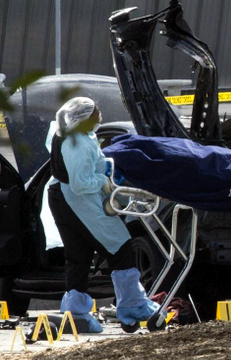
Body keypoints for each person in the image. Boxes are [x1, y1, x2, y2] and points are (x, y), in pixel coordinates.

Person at [47, 97, 159, 333]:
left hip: (63, 197)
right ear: (85, 115)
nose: (100, 114)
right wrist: (104, 178)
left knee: (78, 256)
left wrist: (102, 168)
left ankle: (75, 315)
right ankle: (133, 307)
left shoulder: (68, 134)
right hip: (78, 201)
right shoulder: (78, 140)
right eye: (96, 110)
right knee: (120, 246)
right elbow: (80, 183)